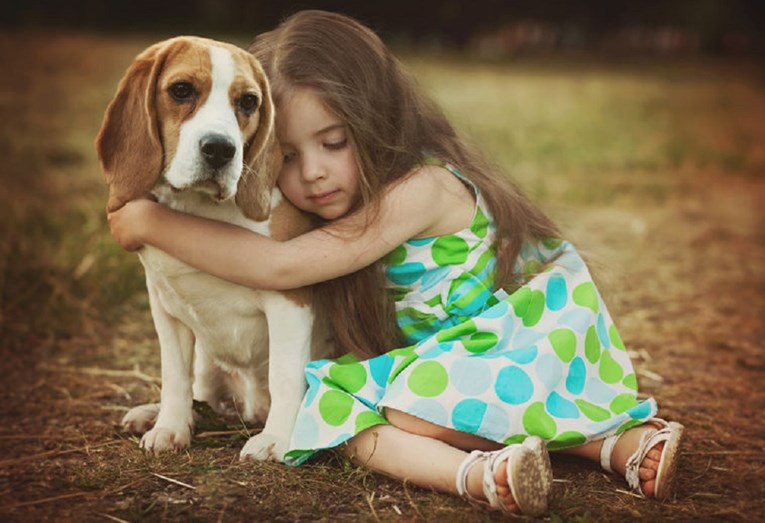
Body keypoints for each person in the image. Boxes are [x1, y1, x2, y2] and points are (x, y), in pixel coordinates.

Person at [108, 10, 684, 516]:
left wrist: (152, 222)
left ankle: (479, 478)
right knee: (378, 400)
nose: (311, 173)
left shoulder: (421, 190)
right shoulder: (341, 199)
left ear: (378, 122)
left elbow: (280, 269)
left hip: (504, 349)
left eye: (334, 143)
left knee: (341, 412)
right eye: (287, 155)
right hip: (465, 367)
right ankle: (622, 445)